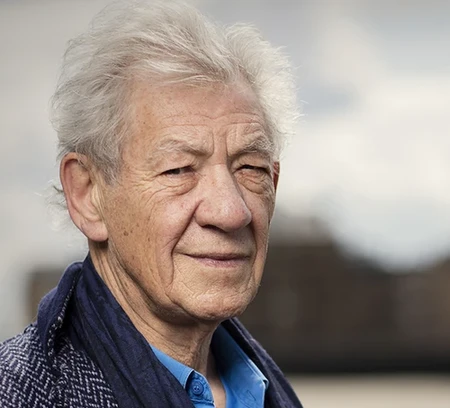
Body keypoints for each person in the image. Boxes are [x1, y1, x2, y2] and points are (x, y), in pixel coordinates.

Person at [0, 1, 301, 407]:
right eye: (179, 170)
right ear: (87, 195)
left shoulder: (266, 389)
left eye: (250, 168)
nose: (231, 212)